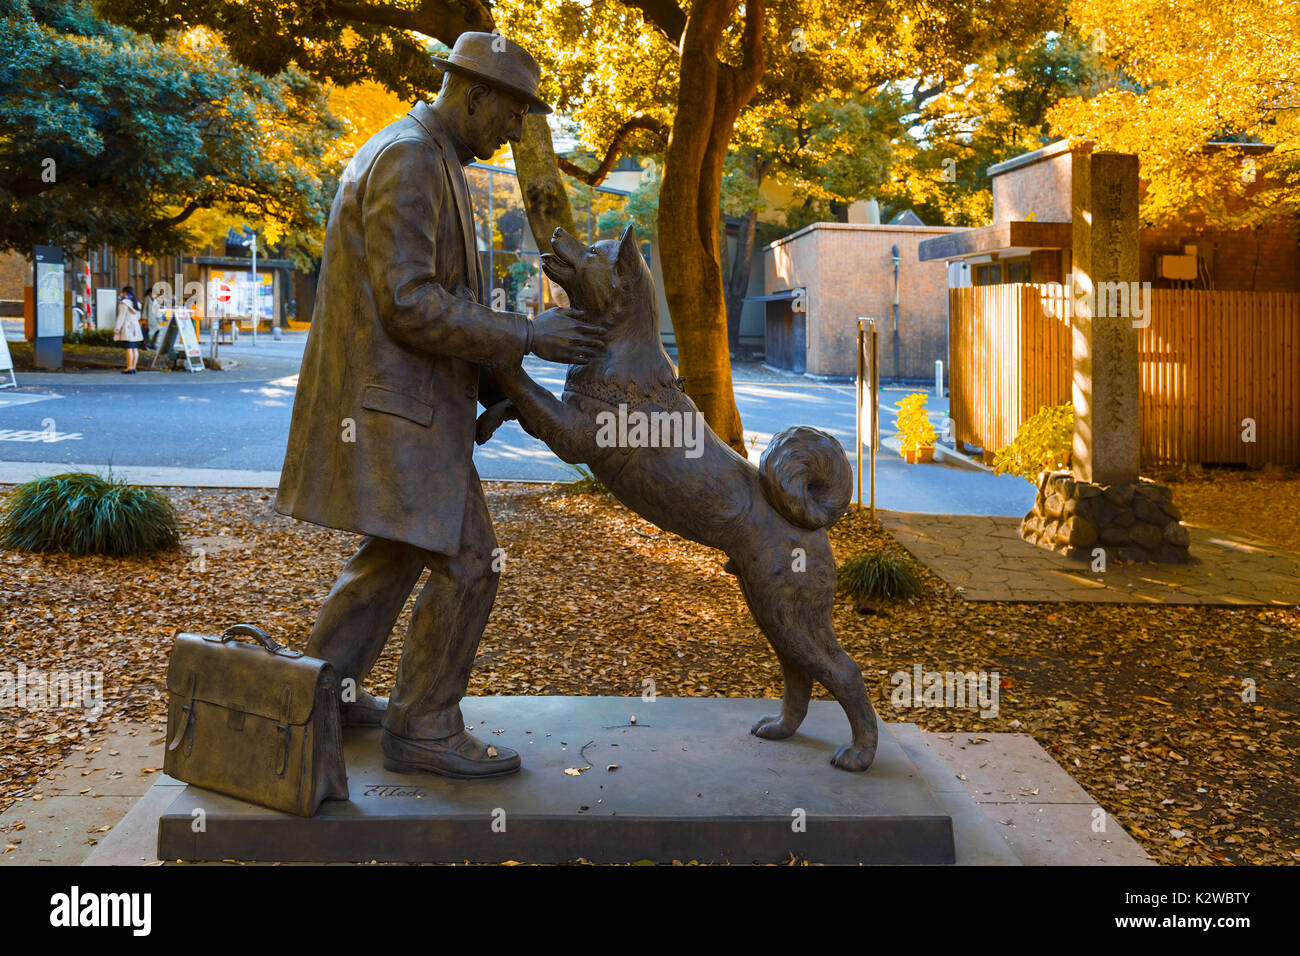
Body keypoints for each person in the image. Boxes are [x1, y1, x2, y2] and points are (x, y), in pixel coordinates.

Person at [275, 32, 604, 779]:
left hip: (412, 406)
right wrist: (527, 334)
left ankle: (318, 695)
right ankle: (423, 724)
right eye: (513, 112)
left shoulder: (435, 158)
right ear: (476, 93)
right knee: (471, 561)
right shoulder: (413, 158)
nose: (516, 131)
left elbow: (437, 300)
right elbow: (408, 302)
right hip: (398, 413)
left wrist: (492, 388)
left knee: (392, 556)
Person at [113, 286, 143, 374]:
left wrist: (117, 328)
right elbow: (138, 317)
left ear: (125, 293)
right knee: (135, 348)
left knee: (129, 348)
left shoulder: (124, 303)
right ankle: (133, 367)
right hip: (136, 328)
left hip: (127, 328)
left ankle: (129, 367)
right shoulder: (136, 303)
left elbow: (121, 317)